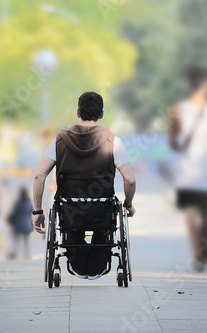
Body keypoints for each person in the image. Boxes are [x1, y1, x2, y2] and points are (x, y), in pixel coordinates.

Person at [32, 91, 136, 280]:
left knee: (72, 230)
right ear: (102, 114)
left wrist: (37, 211)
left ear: (78, 113)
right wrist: (128, 204)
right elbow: (130, 180)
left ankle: (76, 249)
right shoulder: (114, 142)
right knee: (103, 226)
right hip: (102, 210)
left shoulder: (60, 140)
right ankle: (100, 248)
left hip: (70, 211)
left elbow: (39, 175)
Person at [169, 67, 207, 271]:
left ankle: (197, 255)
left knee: (190, 213)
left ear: (189, 85)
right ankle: (204, 246)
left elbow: (172, 142)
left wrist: (186, 149)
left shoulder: (177, 110)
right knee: (206, 214)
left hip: (187, 171)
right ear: (205, 86)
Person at [8, 187, 34, 260]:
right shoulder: (29, 202)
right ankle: (27, 255)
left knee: (16, 241)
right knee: (26, 241)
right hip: (27, 224)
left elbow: (14, 212)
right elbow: (31, 213)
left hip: (18, 224)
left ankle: (15, 254)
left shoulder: (17, 202)